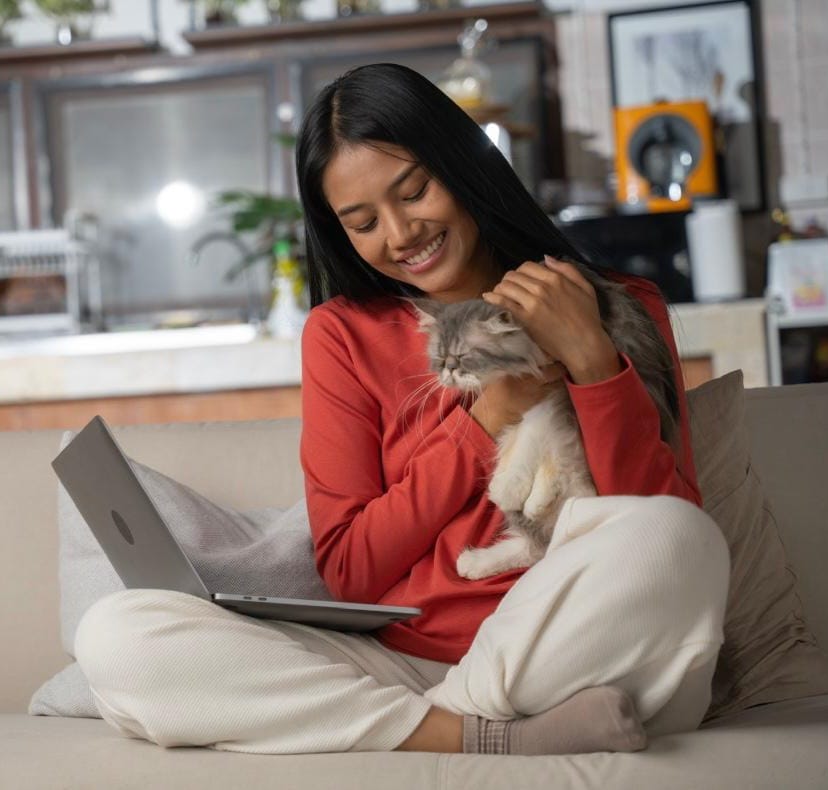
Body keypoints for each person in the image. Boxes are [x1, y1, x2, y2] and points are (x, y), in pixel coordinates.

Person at [74, 63, 730, 757]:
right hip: (410, 667)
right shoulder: (344, 336)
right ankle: (476, 735)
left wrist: (594, 362)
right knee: (118, 634)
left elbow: (657, 516)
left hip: (575, 645)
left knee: (676, 540)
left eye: (414, 191)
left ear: (461, 164)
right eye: (362, 222)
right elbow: (351, 569)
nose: (399, 234)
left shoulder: (615, 301)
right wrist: (485, 419)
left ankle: (441, 727)